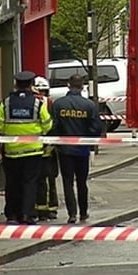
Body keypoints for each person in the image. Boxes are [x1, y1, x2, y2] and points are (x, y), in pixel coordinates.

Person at [0, 71, 53, 224]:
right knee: (30, 183)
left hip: (11, 151)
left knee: (12, 183)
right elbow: (48, 125)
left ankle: (12, 215)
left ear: (15, 85)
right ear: (32, 86)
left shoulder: (5, 103)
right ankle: (27, 214)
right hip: (33, 151)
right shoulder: (38, 104)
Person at [51, 74, 102, 224]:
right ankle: (84, 212)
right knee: (82, 182)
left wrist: (57, 140)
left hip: (65, 149)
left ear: (68, 85)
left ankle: (72, 213)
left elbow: (53, 126)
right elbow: (96, 128)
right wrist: (88, 138)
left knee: (67, 182)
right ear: (83, 86)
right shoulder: (89, 105)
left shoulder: (58, 104)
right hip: (82, 150)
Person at [32, 76, 60, 221]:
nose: (41, 94)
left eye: (44, 91)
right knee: (38, 180)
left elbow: (53, 125)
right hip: (35, 148)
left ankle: (50, 208)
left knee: (49, 180)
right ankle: (40, 208)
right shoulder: (37, 104)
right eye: (40, 91)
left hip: (46, 149)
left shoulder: (48, 103)